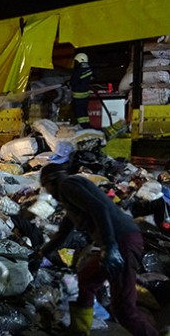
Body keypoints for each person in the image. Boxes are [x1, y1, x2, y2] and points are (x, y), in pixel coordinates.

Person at [36, 162, 158, 336]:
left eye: (45, 186)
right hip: (119, 241)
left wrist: (110, 246)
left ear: (51, 181)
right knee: (86, 278)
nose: (46, 192)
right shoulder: (71, 196)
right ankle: (79, 331)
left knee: (123, 309)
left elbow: (99, 208)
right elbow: (64, 231)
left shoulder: (66, 186)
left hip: (121, 241)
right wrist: (42, 253)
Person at [68, 53, 93, 129]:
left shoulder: (79, 70)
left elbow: (73, 81)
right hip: (85, 95)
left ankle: (82, 126)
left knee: (80, 113)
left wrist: (69, 83)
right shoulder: (88, 69)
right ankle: (86, 125)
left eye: (76, 61)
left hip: (78, 95)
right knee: (84, 112)